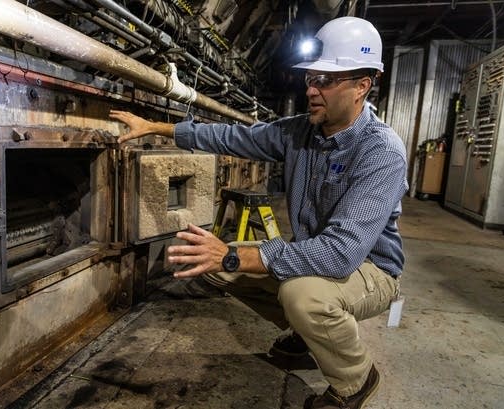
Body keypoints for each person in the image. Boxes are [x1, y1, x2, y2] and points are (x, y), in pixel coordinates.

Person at [111, 16, 407, 409]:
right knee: (219, 266)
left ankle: (356, 379)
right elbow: (232, 136)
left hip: (371, 270)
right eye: (310, 79)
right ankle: (307, 337)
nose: (312, 90)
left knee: (301, 294)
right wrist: (156, 127)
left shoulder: (381, 152)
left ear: (361, 86)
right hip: (326, 256)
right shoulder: (301, 131)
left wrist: (238, 255)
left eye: (326, 80)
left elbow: (340, 254)